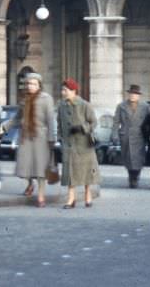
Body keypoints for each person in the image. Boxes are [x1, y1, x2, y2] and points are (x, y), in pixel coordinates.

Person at [2, 72, 57, 207]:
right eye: (28, 83)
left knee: (41, 168)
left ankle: (41, 196)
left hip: (41, 138)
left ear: (39, 85)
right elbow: (17, 118)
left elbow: (51, 120)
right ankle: (30, 184)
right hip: (25, 137)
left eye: (33, 84)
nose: (30, 86)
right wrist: (4, 127)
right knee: (25, 165)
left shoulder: (46, 99)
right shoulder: (24, 100)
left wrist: (52, 138)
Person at [57, 78, 100, 208]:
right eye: (62, 90)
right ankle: (71, 198)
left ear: (73, 91)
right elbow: (59, 123)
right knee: (70, 172)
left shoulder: (85, 105)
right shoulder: (61, 106)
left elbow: (94, 122)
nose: (63, 92)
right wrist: (60, 138)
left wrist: (82, 128)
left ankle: (88, 194)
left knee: (86, 170)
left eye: (65, 90)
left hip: (83, 144)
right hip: (68, 144)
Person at [113, 84, 150, 188]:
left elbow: (149, 122)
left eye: (135, 94)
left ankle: (135, 177)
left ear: (139, 96)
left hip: (139, 135)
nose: (133, 96)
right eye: (131, 93)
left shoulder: (145, 107)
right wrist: (115, 135)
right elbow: (116, 122)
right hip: (126, 134)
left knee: (138, 157)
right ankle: (131, 176)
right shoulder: (121, 106)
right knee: (128, 157)